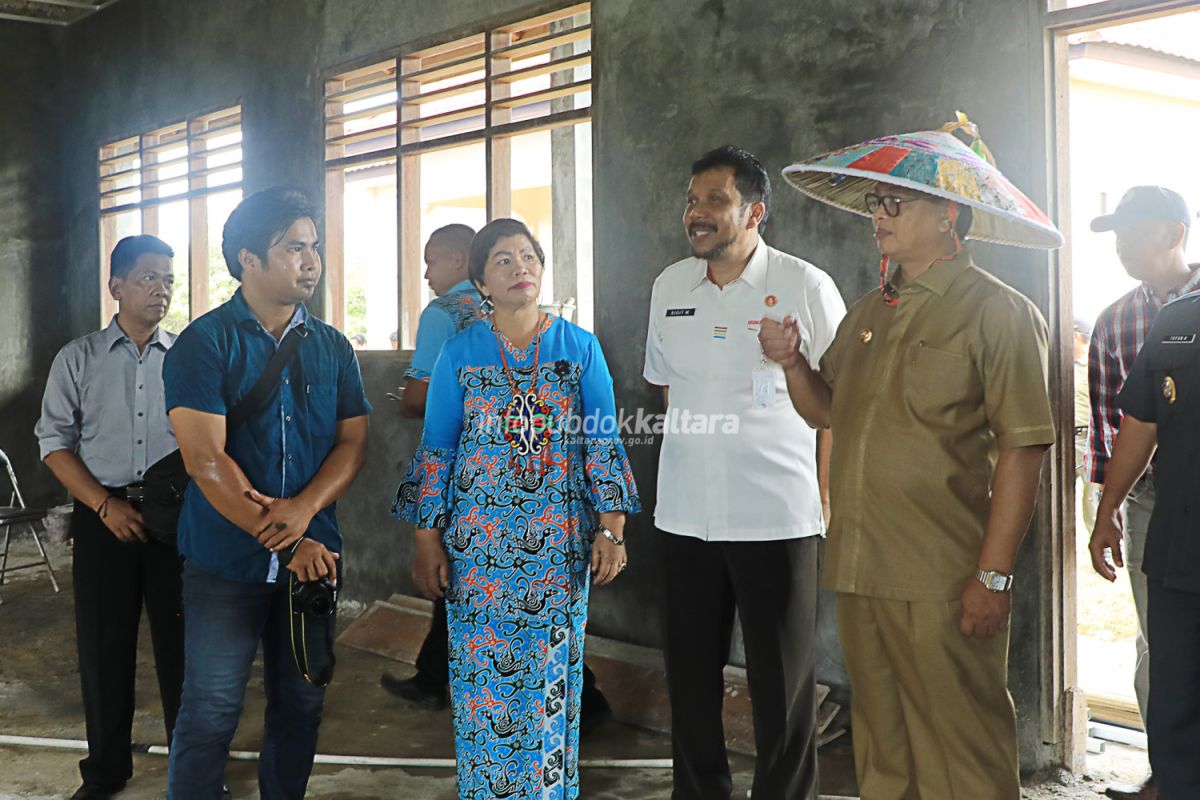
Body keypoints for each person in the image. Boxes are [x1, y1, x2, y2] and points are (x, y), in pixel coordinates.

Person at [772, 117, 1060, 798]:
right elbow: (829, 412)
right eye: (876, 202)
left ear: (949, 215)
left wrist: (992, 578)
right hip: (862, 566)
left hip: (943, 574)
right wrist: (790, 365)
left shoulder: (999, 314)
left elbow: (1024, 452)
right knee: (883, 747)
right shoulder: (870, 311)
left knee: (963, 747)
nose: (880, 215)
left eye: (896, 201)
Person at [393, 217, 640, 799]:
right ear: (480, 281)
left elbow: (602, 440)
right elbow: (438, 448)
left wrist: (613, 528)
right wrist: (426, 538)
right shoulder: (460, 351)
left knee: (552, 681)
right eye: (502, 259)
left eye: (527, 255)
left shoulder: (579, 348)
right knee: (486, 684)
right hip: (478, 550)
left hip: (557, 548)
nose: (519, 267)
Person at [643, 145, 845, 800]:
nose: (696, 214)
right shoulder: (670, 285)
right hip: (683, 514)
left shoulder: (806, 286)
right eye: (692, 201)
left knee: (781, 686)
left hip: (777, 514)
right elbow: (665, 389)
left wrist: (825, 497)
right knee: (691, 678)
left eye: (715, 201)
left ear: (755, 211)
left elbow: (837, 406)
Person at [163, 187, 371, 799]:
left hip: (313, 563)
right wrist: (287, 536)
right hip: (224, 564)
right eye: (293, 248)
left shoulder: (332, 346)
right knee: (210, 712)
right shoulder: (205, 343)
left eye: (314, 247)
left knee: (301, 703)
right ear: (249, 259)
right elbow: (204, 458)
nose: (311, 260)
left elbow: (353, 444)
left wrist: (305, 516)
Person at [36, 235, 185, 800]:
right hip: (103, 513)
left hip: (176, 517)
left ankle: (192, 768)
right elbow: (53, 442)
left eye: (169, 279)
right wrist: (103, 505)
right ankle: (105, 772)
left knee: (184, 647)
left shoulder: (188, 356)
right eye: (149, 278)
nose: (162, 290)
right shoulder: (77, 359)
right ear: (116, 286)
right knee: (104, 648)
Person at [1085, 186, 1198, 800]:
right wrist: (1109, 511)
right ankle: (1166, 775)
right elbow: (1117, 427)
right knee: (1162, 640)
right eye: (1115, 232)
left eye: (1134, 229)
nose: (1121, 244)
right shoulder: (1115, 321)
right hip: (1153, 503)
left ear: (1175, 233)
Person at [1074, 317, 1100, 534]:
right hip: (1064, 440)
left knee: (1092, 496)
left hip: (1087, 438)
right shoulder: (1059, 366)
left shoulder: (1092, 365)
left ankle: (1100, 545)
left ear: (1075, 337)